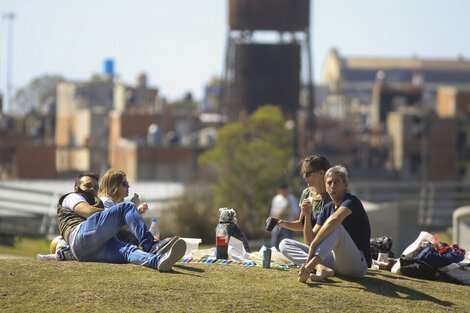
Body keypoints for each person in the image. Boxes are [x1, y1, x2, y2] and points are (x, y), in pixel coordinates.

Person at [56, 172, 186, 272]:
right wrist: (119, 213)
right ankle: (152, 246)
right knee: (128, 207)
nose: (92, 189)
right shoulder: (72, 197)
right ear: (76, 188)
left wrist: (116, 217)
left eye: (95, 187)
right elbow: (89, 212)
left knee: (128, 251)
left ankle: (158, 261)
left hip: (85, 253)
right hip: (80, 235)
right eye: (87, 186)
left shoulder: (97, 201)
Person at [297, 165, 371, 283]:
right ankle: (321, 268)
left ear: (345, 185)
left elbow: (335, 219)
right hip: (334, 261)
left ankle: (307, 269)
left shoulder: (352, 201)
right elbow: (310, 241)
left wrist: (314, 244)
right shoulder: (327, 208)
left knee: (337, 229)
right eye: (329, 183)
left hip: (356, 265)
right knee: (285, 243)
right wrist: (307, 216)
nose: (332, 186)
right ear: (325, 187)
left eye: (336, 182)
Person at [274, 155, 332, 264]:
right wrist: (282, 223)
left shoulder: (331, 197)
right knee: (283, 244)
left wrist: (308, 215)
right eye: (303, 174)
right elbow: (302, 224)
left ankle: (314, 264)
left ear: (321, 173)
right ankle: (315, 265)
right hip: (312, 247)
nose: (305, 177)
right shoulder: (307, 193)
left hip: (326, 248)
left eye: (308, 173)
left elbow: (312, 239)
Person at [98, 169, 148, 245]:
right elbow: (119, 227)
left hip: (114, 242)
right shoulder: (106, 201)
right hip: (109, 245)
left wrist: (138, 211)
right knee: (134, 236)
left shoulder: (112, 201)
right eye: (125, 183)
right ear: (114, 186)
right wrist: (132, 205)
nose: (128, 186)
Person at [269, 183, 300, 250]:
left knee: (289, 244)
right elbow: (273, 213)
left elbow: (296, 213)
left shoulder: (292, 199)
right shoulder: (276, 199)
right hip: (277, 225)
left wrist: (296, 227)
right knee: (274, 243)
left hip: (288, 225)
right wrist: (270, 225)